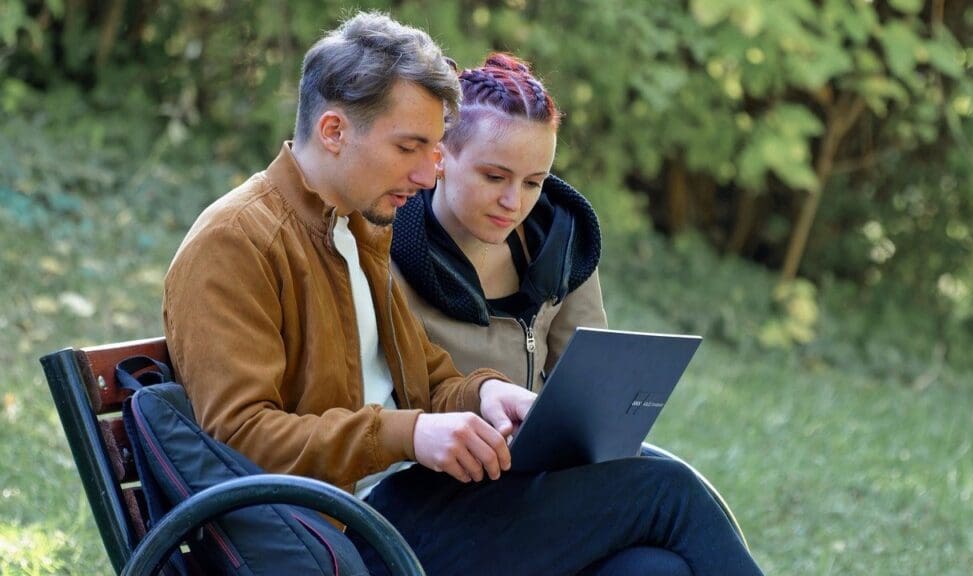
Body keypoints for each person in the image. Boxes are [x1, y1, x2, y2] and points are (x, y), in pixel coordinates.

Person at [162, 11, 763, 576]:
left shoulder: (355, 230)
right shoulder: (236, 242)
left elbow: (431, 380)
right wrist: (410, 433)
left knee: (652, 569)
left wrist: (489, 395)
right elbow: (238, 440)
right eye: (409, 147)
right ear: (334, 130)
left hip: (407, 507)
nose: (428, 174)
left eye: (433, 148)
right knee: (666, 491)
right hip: (344, 537)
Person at [391, 53, 605, 393]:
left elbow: (593, 390)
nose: (514, 202)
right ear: (439, 156)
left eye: (533, 183)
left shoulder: (562, 240)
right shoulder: (384, 244)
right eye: (494, 177)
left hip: (538, 446)